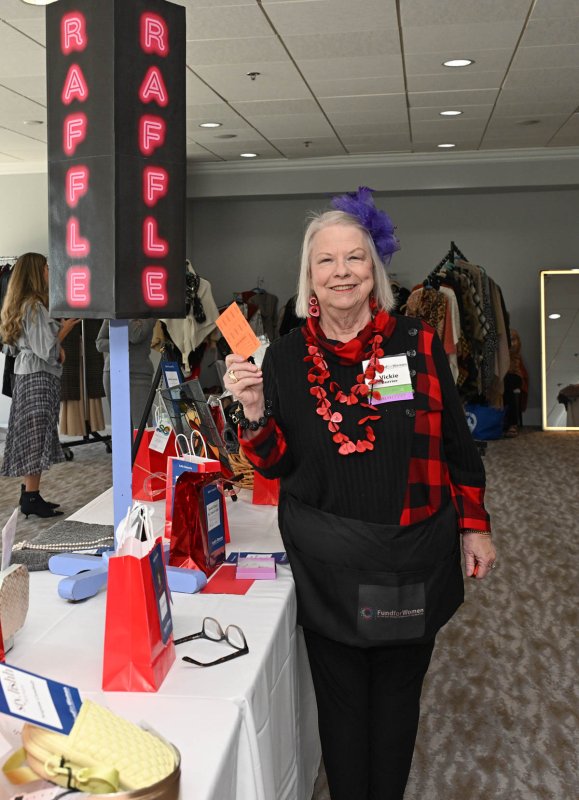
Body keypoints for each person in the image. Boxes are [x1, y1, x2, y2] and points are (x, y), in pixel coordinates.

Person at [224, 188, 497, 800]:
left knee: (398, 700)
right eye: (326, 260)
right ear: (309, 276)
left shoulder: (419, 343)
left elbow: (457, 443)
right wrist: (254, 412)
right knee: (342, 707)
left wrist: (474, 525)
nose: (341, 271)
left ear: (373, 270)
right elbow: (274, 465)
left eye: (354, 258)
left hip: (411, 553)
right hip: (329, 563)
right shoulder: (286, 358)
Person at [0, 253, 79, 518]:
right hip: (37, 378)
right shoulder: (34, 306)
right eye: (46, 266)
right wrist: (65, 330)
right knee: (35, 435)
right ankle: (31, 497)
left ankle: (28, 494)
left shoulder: (21, 304)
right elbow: (46, 348)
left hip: (27, 375)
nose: (49, 270)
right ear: (36, 272)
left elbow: (15, 347)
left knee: (31, 433)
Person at [95, 318, 156, 429]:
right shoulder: (112, 310)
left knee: (142, 425)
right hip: (112, 372)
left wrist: (123, 315)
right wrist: (121, 343)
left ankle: (140, 447)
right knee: (120, 426)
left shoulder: (148, 311)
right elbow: (100, 343)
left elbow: (136, 335)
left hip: (139, 374)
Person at [503, 328, 528, 437]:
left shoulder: (512, 336)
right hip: (504, 375)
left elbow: (514, 348)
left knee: (507, 385)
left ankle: (512, 424)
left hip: (515, 375)